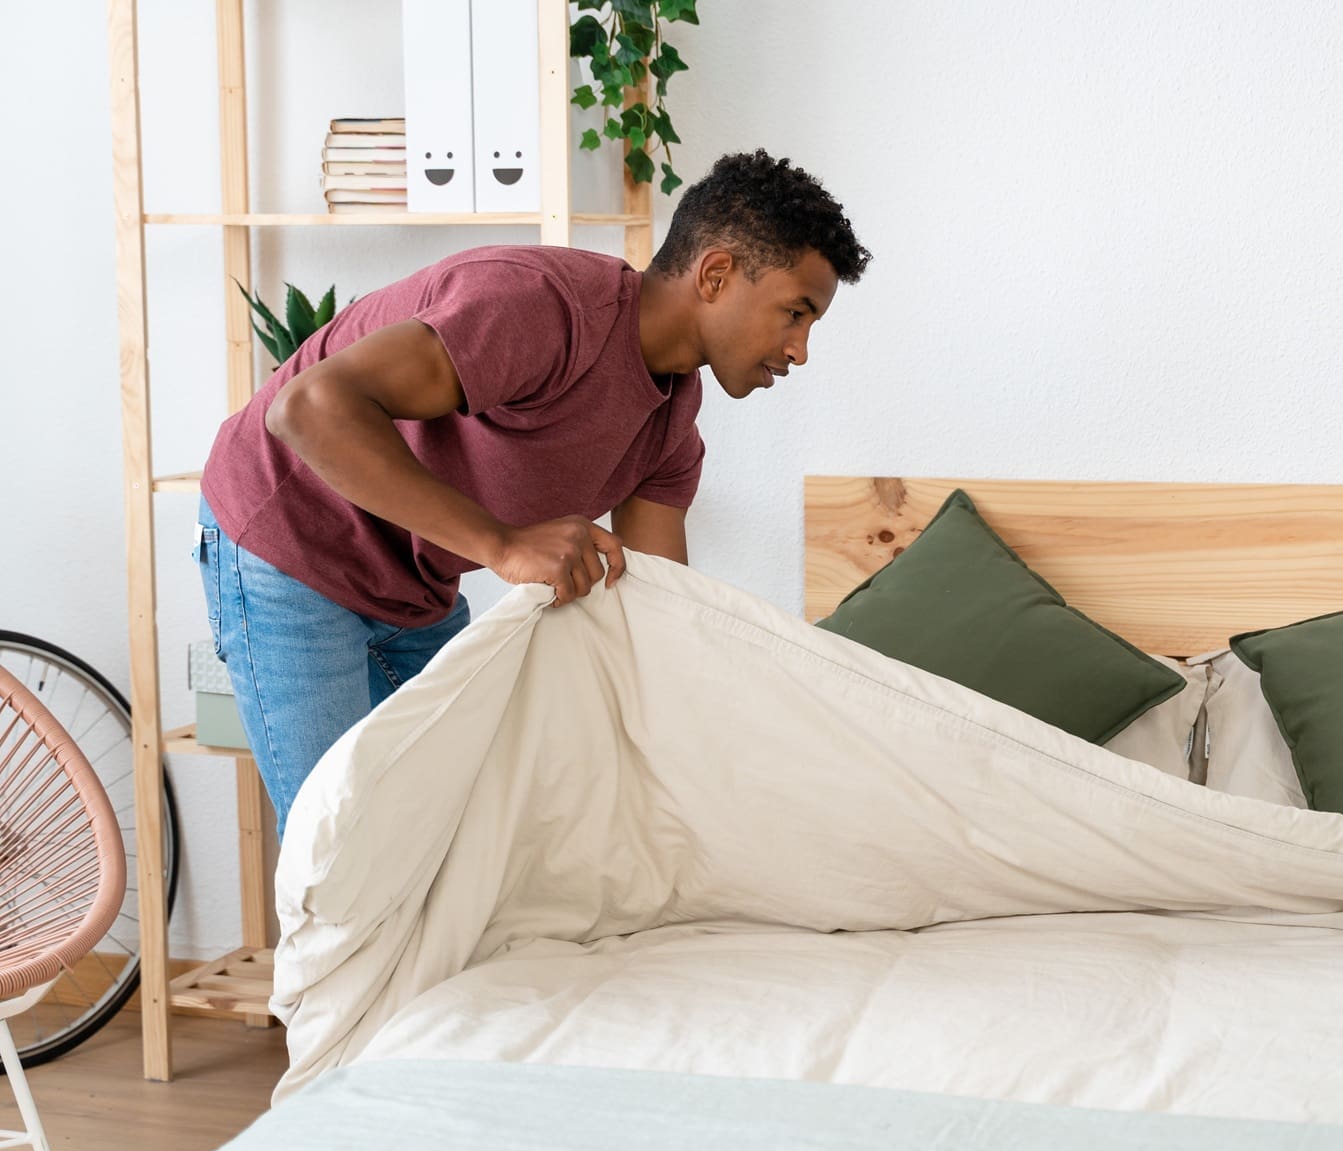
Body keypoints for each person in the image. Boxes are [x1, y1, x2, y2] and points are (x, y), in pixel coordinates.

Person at [194, 149, 872, 834]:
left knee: (469, 837)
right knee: (339, 849)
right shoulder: (540, 308)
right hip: (289, 541)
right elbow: (308, 410)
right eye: (795, 312)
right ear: (717, 273)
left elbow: (651, 615)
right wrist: (502, 544)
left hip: (411, 585)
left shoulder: (670, 428)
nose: (800, 349)